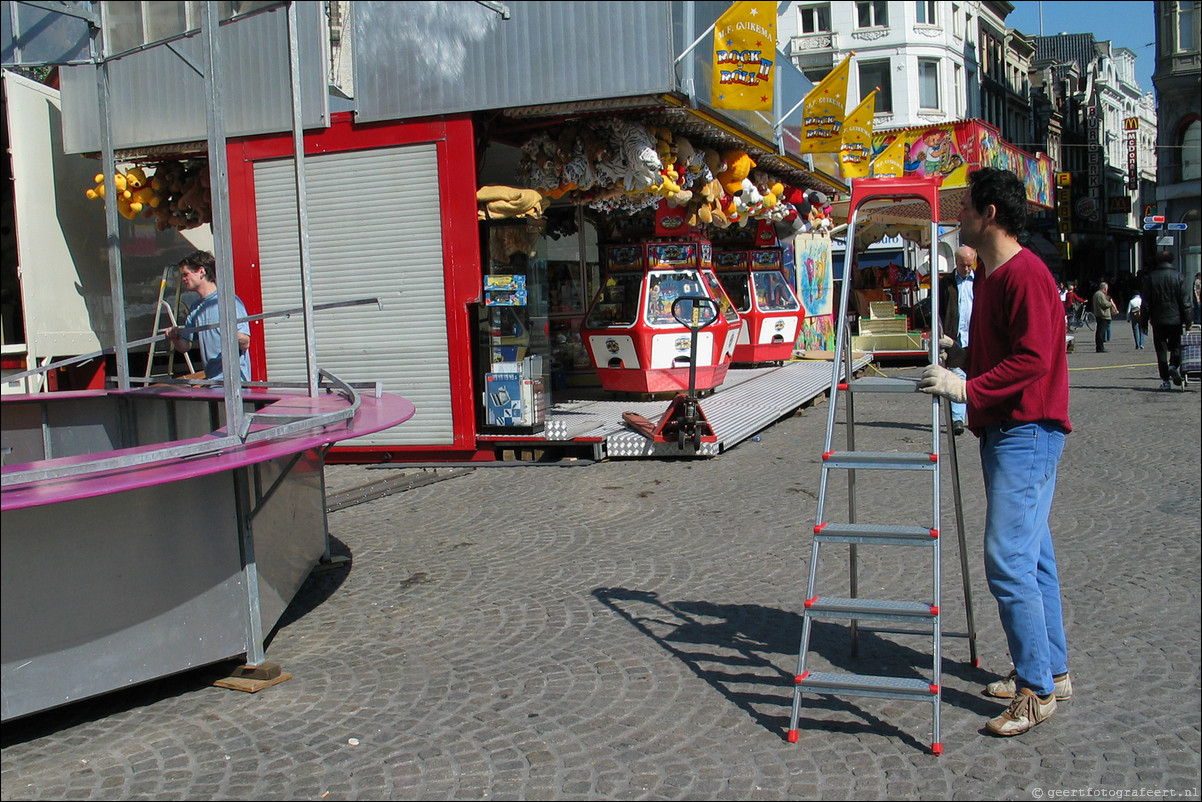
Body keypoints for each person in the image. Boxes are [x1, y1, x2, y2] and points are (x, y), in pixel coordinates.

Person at [918, 167, 1072, 737]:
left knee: (1007, 561)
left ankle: (1036, 690)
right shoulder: (989, 275)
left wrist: (967, 389)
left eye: (964, 209)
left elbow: (1032, 358)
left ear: (989, 215)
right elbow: (1001, 350)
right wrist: (959, 362)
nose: (957, 217)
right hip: (1008, 429)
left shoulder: (1024, 274)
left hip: (1026, 430)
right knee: (1034, 559)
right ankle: (1050, 669)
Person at [167, 250, 252, 382]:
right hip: (212, 381)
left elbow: (245, 342)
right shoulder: (196, 307)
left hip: (235, 383)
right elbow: (185, 347)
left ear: (201, 271)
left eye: (186, 274)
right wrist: (175, 336)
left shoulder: (229, 301)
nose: (183, 279)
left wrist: (233, 335)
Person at [1140, 250, 1192, 390]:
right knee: (1176, 347)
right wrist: (1188, 322)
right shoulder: (1178, 277)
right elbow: (1185, 302)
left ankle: (1165, 380)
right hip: (1176, 320)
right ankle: (1174, 366)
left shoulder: (1151, 278)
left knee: (1161, 350)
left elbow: (1146, 304)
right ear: (1172, 260)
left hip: (1158, 320)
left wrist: (1143, 323)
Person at [939, 245, 976, 436]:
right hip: (956, 337)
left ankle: (978, 416)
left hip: (976, 336)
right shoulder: (947, 283)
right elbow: (940, 308)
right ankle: (958, 419)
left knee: (976, 376)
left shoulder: (980, 282)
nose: (967, 269)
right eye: (963, 265)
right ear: (956, 262)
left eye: (970, 265)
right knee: (957, 375)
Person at [1090, 280, 1118, 352]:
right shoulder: (1100, 294)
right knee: (1101, 332)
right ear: (1104, 288)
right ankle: (1100, 347)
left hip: (1099, 314)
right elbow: (1104, 304)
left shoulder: (1097, 294)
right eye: (1106, 289)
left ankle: (1099, 346)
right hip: (1103, 315)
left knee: (1099, 331)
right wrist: (1110, 303)